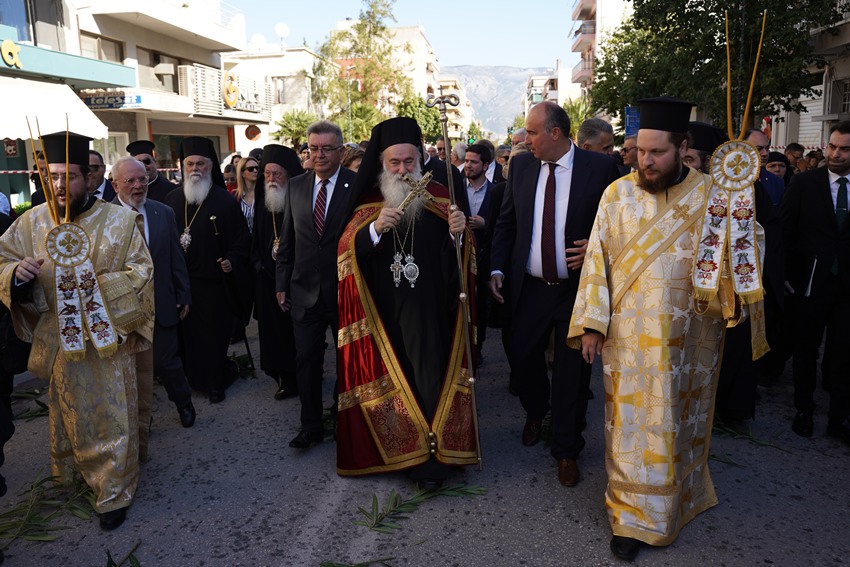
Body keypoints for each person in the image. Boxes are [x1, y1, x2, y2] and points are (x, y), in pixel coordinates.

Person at [568, 97, 767, 561]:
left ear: (682, 148)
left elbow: (749, 248)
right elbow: (596, 260)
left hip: (690, 338)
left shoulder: (714, 195)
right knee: (629, 426)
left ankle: (677, 500)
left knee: (675, 421)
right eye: (640, 151)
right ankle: (629, 515)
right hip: (627, 338)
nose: (646, 161)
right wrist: (592, 324)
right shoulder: (617, 194)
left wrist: (739, 227)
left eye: (657, 152)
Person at [0, 131, 154, 531]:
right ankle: (72, 476)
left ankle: (114, 490)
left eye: (67, 176)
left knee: (111, 415)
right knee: (67, 410)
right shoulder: (30, 222)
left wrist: (93, 289)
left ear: (88, 177)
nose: (58, 184)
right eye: (50, 176)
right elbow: (3, 260)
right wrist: (16, 274)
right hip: (58, 341)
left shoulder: (120, 221)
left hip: (108, 340)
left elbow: (142, 271)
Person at [336, 116, 477, 487]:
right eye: (394, 163)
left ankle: (435, 457)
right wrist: (373, 230)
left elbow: (459, 262)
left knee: (431, 378)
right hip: (384, 314)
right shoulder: (368, 203)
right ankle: (400, 452)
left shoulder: (441, 198)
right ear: (382, 163)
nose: (402, 170)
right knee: (396, 375)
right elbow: (346, 253)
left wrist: (459, 236)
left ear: (419, 160)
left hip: (431, 310)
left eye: (408, 162)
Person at [490, 101, 620, 489]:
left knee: (571, 374)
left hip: (576, 291)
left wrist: (598, 247)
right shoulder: (522, 167)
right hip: (529, 288)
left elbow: (618, 225)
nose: (525, 139)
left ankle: (566, 449)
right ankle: (536, 411)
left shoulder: (599, 168)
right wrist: (497, 269)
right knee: (522, 357)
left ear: (555, 133)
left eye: (531, 133)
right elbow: (507, 222)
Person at [275, 120, 355, 449]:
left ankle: (342, 416)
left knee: (347, 361)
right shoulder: (296, 186)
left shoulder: (356, 185)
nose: (319, 155)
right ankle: (310, 426)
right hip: (304, 292)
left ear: (341, 151)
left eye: (326, 149)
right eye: (313, 148)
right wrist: (281, 282)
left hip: (345, 291)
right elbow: (288, 239)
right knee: (306, 360)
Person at [164, 137, 250, 403]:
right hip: (181, 283)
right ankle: (192, 378)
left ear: (210, 166)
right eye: (190, 164)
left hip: (212, 284)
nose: (195, 169)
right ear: (183, 166)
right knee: (187, 336)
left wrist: (231, 259)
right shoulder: (172, 200)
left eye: (200, 163)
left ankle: (214, 383)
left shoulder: (224, 201)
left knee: (212, 335)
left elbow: (241, 240)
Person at [112, 156, 195, 429]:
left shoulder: (163, 212)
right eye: (130, 181)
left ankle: (183, 402)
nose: (138, 186)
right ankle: (141, 417)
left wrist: (183, 293)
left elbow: (175, 257)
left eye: (143, 179)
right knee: (131, 367)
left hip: (162, 301)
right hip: (124, 307)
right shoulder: (104, 218)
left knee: (166, 361)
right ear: (115, 185)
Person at [782, 120, 850, 447]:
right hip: (809, 281)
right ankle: (804, 410)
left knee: (844, 352)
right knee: (806, 349)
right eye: (832, 146)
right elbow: (785, 229)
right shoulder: (805, 183)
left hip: (847, 286)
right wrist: (783, 273)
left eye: (845, 149)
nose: (836, 154)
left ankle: (839, 418)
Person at [253, 144, 303, 400]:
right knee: (273, 333)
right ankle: (284, 377)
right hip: (268, 279)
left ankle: (302, 374)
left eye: (277, 174)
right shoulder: (263, 202)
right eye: (267, 174)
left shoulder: (300, 198)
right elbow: (255, 239)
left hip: (296, 278)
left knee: (297, 334)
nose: (271, 179)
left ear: (290, 175)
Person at [463, 143, 496, 365]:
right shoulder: (456, 190)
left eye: (473, 162)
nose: (468, 165)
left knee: (481, 306)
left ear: (485, 165)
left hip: (484, 258)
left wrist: (486, 224)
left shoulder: (496, 192)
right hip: (460, 256)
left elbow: (503, 224)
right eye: (466, 161)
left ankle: (478, 347)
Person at [234, 156, 259, 233]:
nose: (255, 171)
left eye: (257, 168)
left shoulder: (263, 195)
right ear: (242, 174)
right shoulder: (234, 196)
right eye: (250, 169)